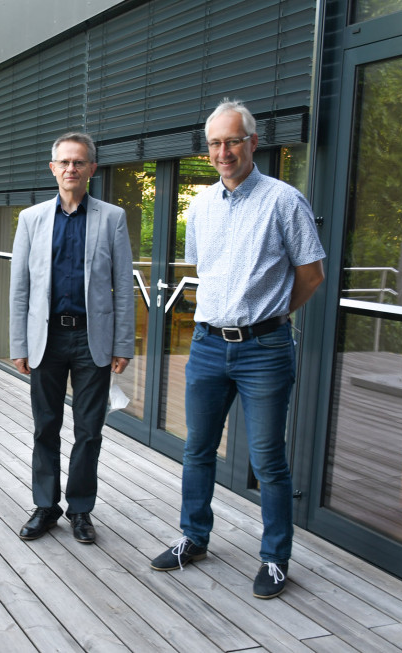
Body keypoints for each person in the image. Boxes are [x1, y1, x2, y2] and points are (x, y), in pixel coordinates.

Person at [150, 99, 325, 599]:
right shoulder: (200, 206)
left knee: (268, 459)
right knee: (197, 450)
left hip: (264, 349)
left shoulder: (284, 201)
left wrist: (272, 315)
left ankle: (275, 559)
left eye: (232, 141)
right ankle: (193, 538)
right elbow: (205, 271)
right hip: (207, 345)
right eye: (214, 143)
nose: (223, 151)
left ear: (253, 142)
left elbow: (312, 275)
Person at [9, 132, 135, 544]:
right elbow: (20, 288)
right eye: (64, 162)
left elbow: (123, 284)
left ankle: (81, 509)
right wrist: (19, 344)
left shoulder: (112, 218)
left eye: (78, 162)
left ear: (91, 169)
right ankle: (46, 506)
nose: (70, 169)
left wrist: (122, 343)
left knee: (89, 431)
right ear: (53, 168)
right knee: (45, 426)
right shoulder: (30, 220)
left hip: (91, 339)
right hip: (45, 339)